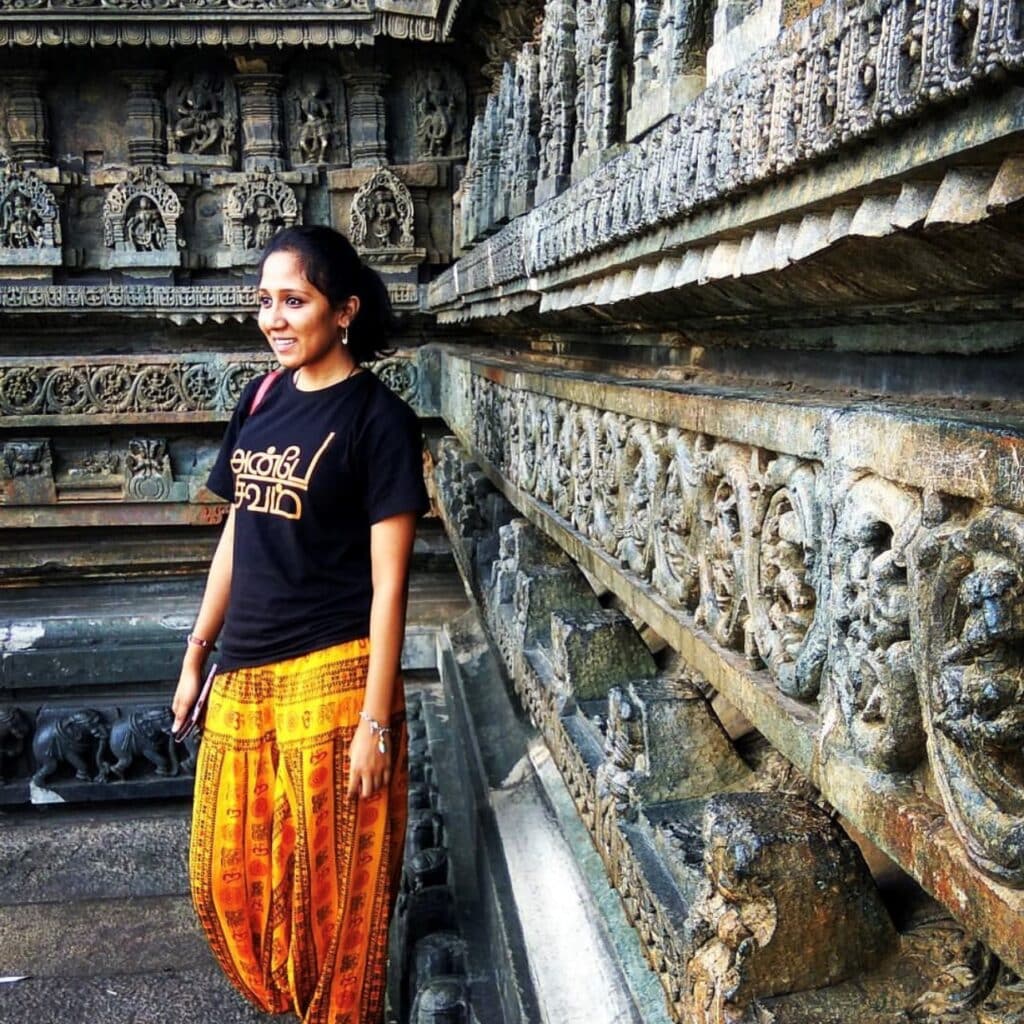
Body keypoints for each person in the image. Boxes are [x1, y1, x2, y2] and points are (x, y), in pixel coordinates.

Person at [171, 224, 428, 1024]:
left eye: (294, 300)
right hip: (244, 673)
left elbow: (391, 589)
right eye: (265, 302)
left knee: (330, 904)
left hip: (333, 674)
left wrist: (375, 722)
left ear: (343, 311)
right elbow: (239, 533)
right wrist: (197, 651)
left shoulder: (379, 421)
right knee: (226, 882)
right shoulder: (261, 399)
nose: (274, 319)